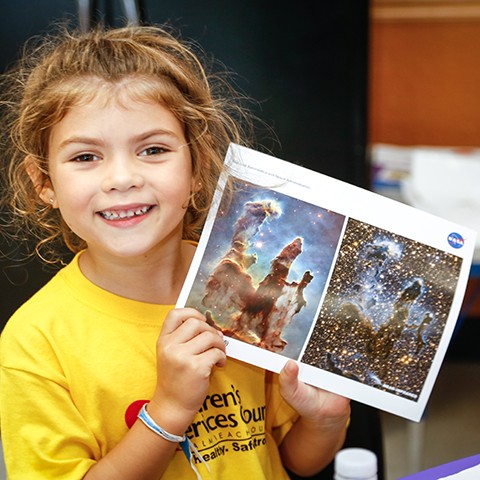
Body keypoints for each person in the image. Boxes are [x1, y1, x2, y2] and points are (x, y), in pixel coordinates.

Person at [0, 24, 350, 479]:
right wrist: (168, 409)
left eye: (153, 149)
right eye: (86, 157)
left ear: (198, 168)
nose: (122, 178)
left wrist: (327, 419)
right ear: (43, 182)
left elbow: (293, 461)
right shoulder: (36, 341)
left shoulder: (246, 294)